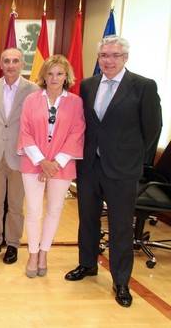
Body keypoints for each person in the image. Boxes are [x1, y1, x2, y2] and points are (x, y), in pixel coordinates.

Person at [65, 36, 162, 307]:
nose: (108, 60)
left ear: (125, 58)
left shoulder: (142, 86)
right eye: (104, 55)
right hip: (89, 167)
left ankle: (121, 281)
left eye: (115, 55)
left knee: (120, 227)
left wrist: (134, 160)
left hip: (123, 170)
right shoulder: (88, 85)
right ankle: (87, 264)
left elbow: (152, 128)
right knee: (88, 220)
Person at [17, 55, 84, 278]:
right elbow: (25, 132)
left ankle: (44, 252)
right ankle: (33, 253)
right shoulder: (31, 100)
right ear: (44, 75)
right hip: (33, 163)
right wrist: (42, 162)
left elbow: (77, 133)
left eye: (60, 74)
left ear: (67, 77)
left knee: (54, 210)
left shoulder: (75, 102)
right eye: (50, 73)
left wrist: (56, 164)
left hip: (61, 166)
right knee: (34, 211)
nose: (54, 78)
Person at [0, 48, 39, 264]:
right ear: (1, 65)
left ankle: (12, 244)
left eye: (15, 61)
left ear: (22, 63)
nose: (11, 65)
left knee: (15, 204)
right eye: (7, 61)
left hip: (20, 155)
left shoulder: (33, 90)